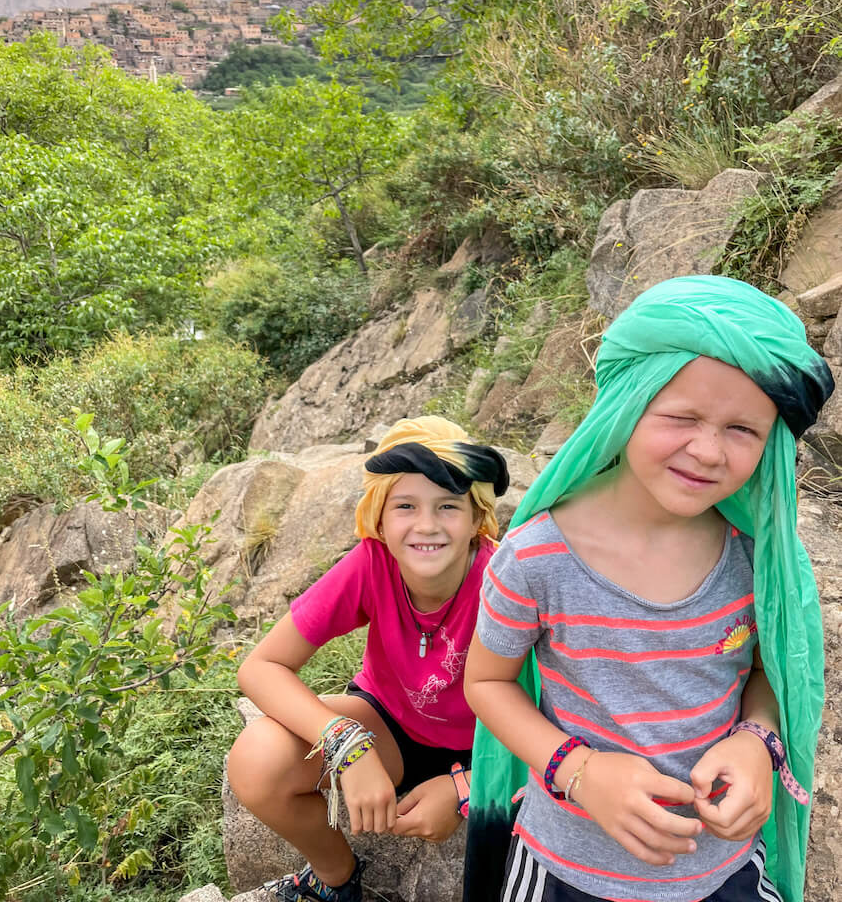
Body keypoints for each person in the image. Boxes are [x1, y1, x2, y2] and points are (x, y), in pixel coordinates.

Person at [463, 275, 833, 902]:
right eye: (681, 416)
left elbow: (767, 671)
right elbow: (487, 682)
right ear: (626, 403)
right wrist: (579, 772)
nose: (709, 450)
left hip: (724, 870)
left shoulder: (757, 559)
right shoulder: (537, 559)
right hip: (566, 873)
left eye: (744, 430)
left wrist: (758, 738)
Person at [227, 415, 509, 902]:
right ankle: (335, 878)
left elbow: (560, 713)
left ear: (476, 520)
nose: (427, 525)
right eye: (405, 505)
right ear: (378, 517)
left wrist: (467, 789)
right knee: (257, 760)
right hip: (388, 727)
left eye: (448, 505)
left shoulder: (505, 581)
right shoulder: (372, 564)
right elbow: (260, 667)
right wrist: (346, 744)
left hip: (493, 743)